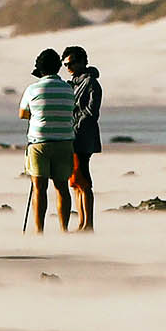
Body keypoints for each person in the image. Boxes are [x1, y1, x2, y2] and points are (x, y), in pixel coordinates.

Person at [17, 48, 74, 233]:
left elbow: (23, 114)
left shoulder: (32, 89)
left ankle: (39, 230)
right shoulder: (68, 88)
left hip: (39, 141)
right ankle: (64, 229)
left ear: (40, 70)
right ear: (58, 68)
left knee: (39, 187)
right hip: (64, 141)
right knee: (62, 187)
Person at [61, 45, 102, 233]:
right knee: (75, 180)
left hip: (83, 136)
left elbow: (91, 112)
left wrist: (75, 125)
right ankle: (82, 223)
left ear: (83, 62)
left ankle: (88, 224)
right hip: (75, 135)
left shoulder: (91, 83)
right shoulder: (75, 83)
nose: (68, 67)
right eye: (65, 64)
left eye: (71, 63)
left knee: (83, 179)